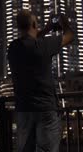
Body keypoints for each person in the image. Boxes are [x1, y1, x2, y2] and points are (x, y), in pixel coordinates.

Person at [7, 10, 74, 152]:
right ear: (33, 24)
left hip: (23, 109)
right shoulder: (44, 45)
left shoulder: (13, 48)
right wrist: (63, 22)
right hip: (46, 109)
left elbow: (29, 39)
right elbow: (70, 36)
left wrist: (47, 29)